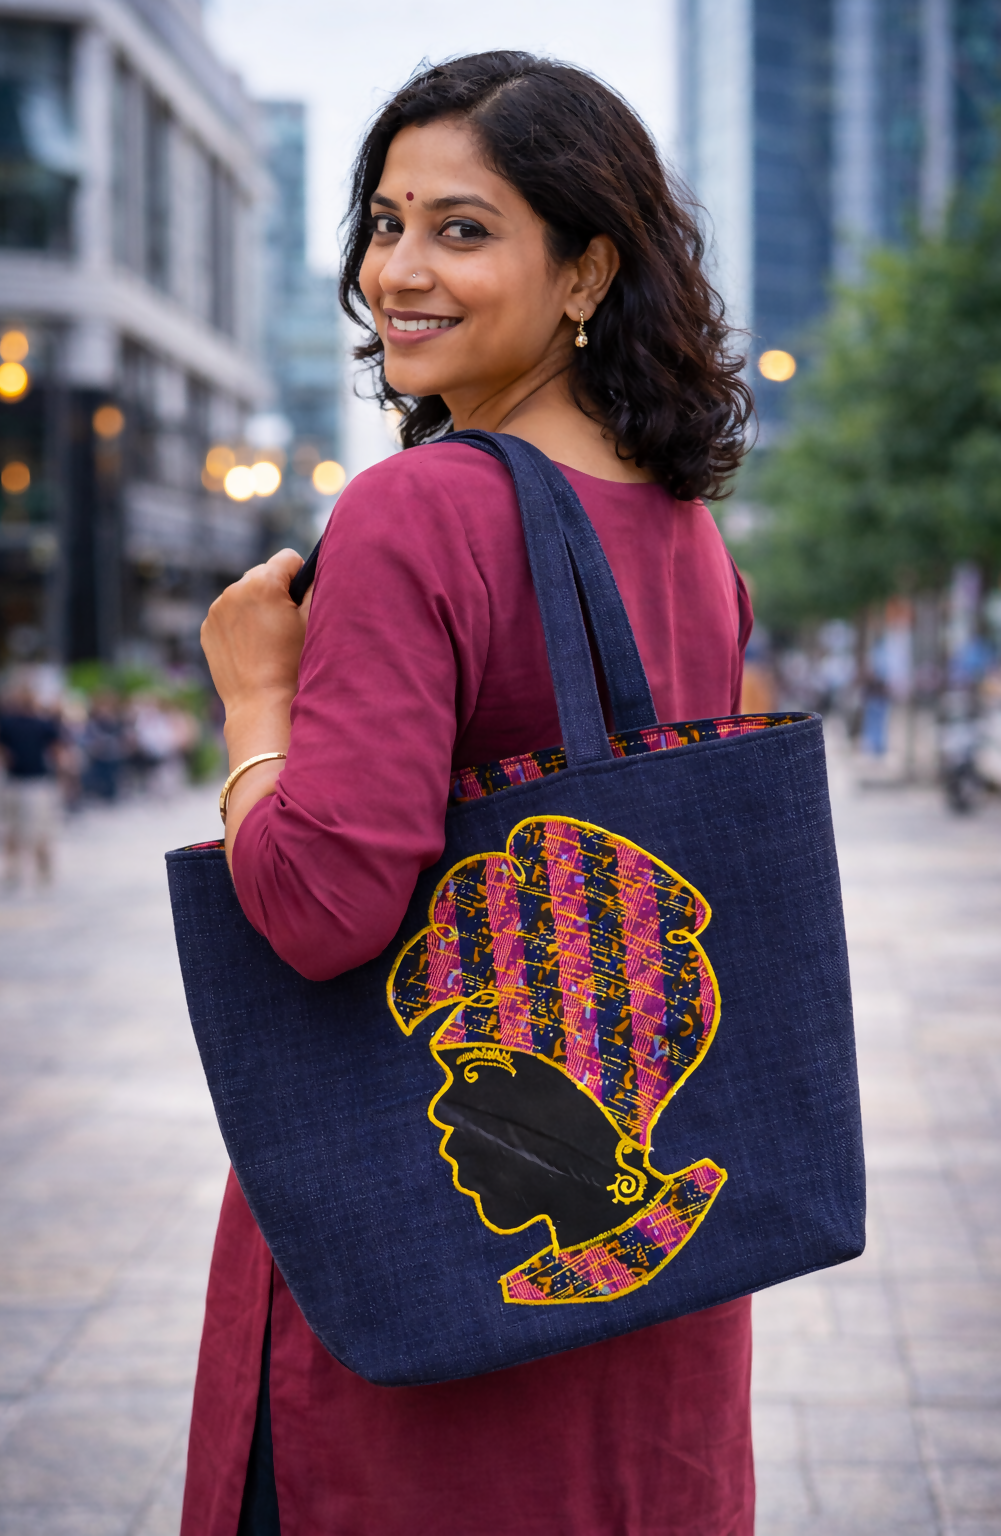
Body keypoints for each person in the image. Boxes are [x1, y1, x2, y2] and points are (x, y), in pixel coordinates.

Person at [189, 52, 755, 1536]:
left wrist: (253, 701)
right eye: (386, 224)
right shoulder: (685, 530)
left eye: (461, 229)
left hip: (415, 1296)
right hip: (646, 1302)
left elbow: (320, 908)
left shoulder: (419, 508)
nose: (398, 272)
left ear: (586, 272)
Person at [0, 682, 61, 887]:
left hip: (34, 781)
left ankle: (42, 869)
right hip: (17, 781)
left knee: (38, 829)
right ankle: (14, 869)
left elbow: (56, 749)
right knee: (12, 829)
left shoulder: (42, 723)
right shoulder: (7, 723)